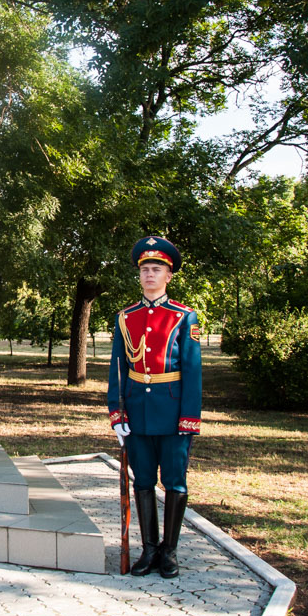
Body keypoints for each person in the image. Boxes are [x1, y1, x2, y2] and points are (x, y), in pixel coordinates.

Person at [106, 236, 202, 579]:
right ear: (140, 275)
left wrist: (189, 419)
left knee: (174, 482)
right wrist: (116, 415)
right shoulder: (124, 318)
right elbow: (117, 367)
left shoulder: (184, 317)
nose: (150, 274)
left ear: (168, 276)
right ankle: (149, 550)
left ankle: (170, 552)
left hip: (173, 413)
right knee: (143, 481)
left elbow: (192, 372)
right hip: (137, 414)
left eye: (156, 269)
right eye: (145, 269)